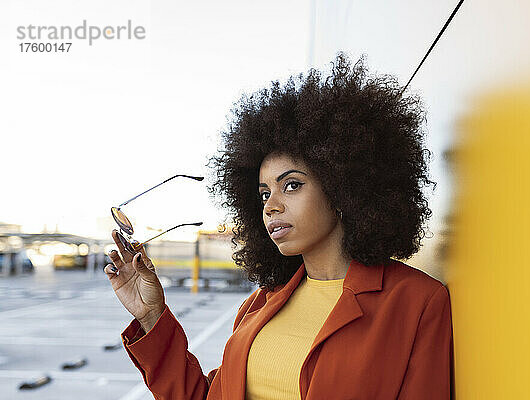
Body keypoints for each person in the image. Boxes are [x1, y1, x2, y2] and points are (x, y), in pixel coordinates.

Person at [104, 52, 454, 399]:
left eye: (292, 185)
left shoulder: (417, 302)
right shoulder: (261, 303)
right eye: (263, 194)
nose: (271, 206)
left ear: (342, 185)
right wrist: (152, 317)